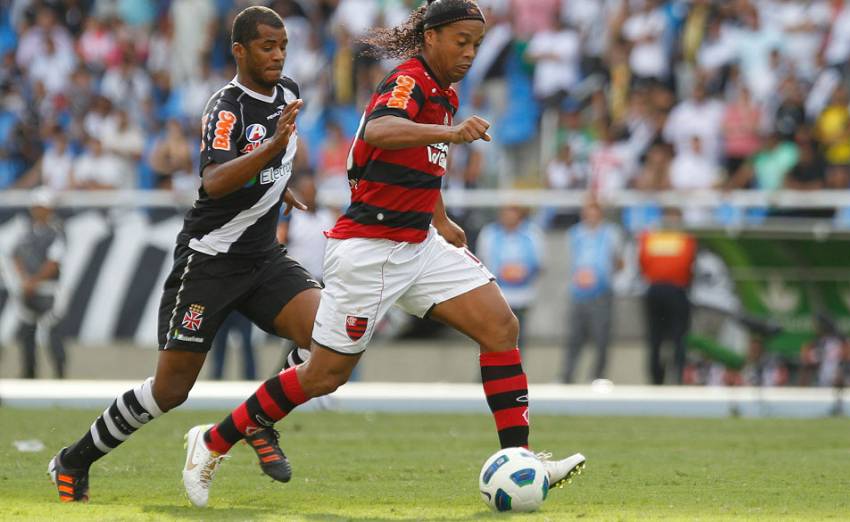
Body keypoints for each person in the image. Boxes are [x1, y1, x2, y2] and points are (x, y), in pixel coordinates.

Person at [184, 0, 585, 508]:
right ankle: (213, 441)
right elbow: (380, 131)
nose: (468, 52)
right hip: (368, 250)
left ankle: (522, 459)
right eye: (460, 41)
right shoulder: (409, 81)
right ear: (432, 38)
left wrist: (440, 219)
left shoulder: (445, 93)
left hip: (418, 242)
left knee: (500, 326)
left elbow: (421, 162)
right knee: (324, 376)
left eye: (476, 44)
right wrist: (450, 133)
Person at [48, 6, 323, 502]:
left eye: (283, 45)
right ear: (239, 50)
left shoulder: (290, 92)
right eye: (267, 46)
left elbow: (271, 160)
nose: (279, 55)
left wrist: (279, 187)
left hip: (262, 256)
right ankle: (73, 459)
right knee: (170, 391)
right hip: (209, 261)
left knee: (325, 337)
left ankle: (258, 420)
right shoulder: (225, 107)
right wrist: (271, 153)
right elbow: (214, 181)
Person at [561, 198, 623, 384]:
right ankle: (567, 376)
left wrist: (603, 277)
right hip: (579, 292)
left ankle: (597, 377)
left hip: (601, 292)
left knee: (601, 337)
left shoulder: (611, 233)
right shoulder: (575, 234)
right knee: (574, 337)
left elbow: (618, 261)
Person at [639, 209, 697, 385]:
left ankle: (657, 379)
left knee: (655, 338)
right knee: (679, 338)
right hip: (675, 290)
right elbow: (688, 266)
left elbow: (643, 263)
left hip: (655, 290)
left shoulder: (650, 239)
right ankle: (677, 377)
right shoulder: (685, 240)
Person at [13, 189, 66, 379]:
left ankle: (60, 375)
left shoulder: (56, 232)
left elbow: (54, 262)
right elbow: (16, 255)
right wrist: (24, 280)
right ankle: (29, 374)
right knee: (27, 333)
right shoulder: (27, 232)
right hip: (29, 290)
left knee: (53, 333)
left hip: (48, 291)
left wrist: (32, 281)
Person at [476, 205, 544, 347]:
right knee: (491, 339)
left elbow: (540, 263)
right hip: (496, 296)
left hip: (523, 296)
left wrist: (523, 272)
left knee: (518, 340)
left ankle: (516, 368)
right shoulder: (489, 233)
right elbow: (481, 263)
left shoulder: (532, 233)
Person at [209, 311, 256, 380]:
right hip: (225, 310)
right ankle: (216, 375)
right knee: (219, 344)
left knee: (247, 343)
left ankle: (251, 377)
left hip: (241, 311)